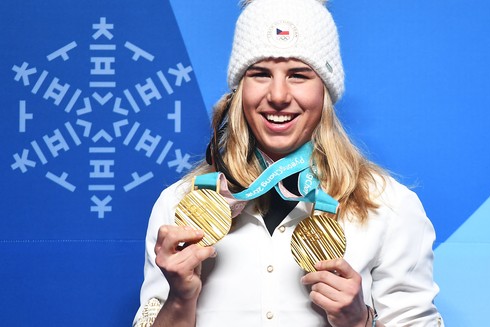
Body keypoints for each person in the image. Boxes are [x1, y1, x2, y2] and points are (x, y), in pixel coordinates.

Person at [134, 0, 444, 326]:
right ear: (239, 91)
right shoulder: (180, 205)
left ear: (325, 90)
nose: (279, 95)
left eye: (298, 75)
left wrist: (358, 321)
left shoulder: (388, 206)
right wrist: (180, 298)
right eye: (260, 74)